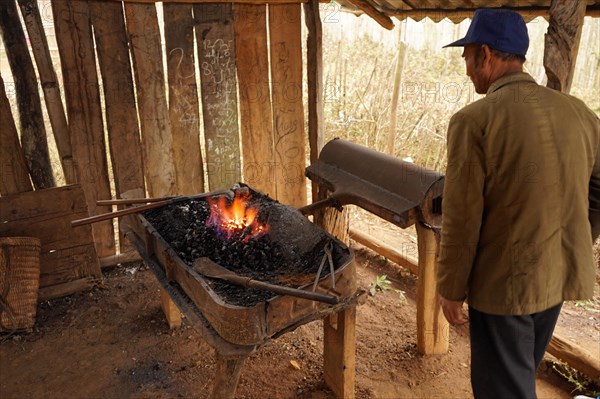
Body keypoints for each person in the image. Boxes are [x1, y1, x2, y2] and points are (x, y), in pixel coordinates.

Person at [436, 8, 600, 399]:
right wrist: (575, 233)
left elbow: (462, 217)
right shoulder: (578, 113)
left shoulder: (474, 120)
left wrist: (451, 287)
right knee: (520, 373)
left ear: (486, 55)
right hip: (555, 279)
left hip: (503, 289)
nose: (465, 67)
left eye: (467, 55)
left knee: (503, 391)